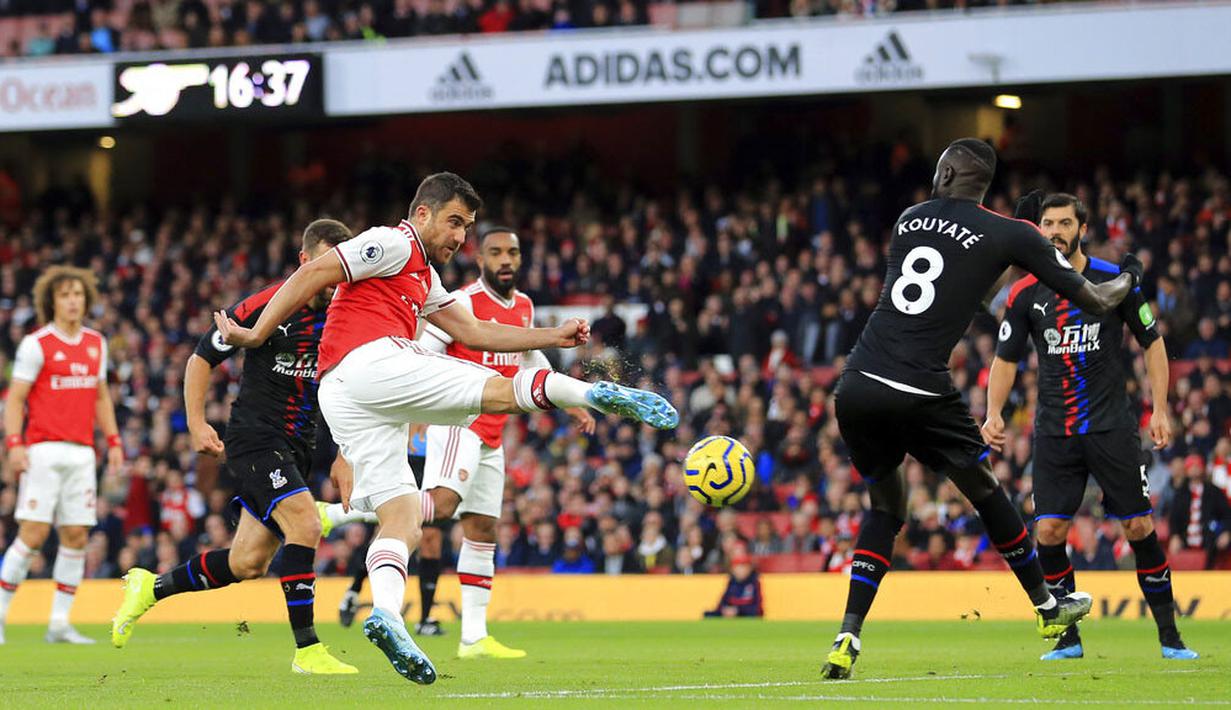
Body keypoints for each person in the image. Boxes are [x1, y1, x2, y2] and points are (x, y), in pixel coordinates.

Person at [213, 172, 678, 683]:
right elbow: (313, 274)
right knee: (501, 391)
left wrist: (554, 333)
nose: (460, 236)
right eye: (455, 222)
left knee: (405, 519)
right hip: (370, 361)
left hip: (345, 394)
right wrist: (257, 333)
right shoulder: (391, 242)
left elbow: (475, 330)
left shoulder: (425, 280)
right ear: (422, 214)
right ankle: (597, 394)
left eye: (468, 227)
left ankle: (388, 614)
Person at [823, 139, 1139, 680]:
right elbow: (1097, 299)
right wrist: (1129, 275)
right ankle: (1046, 608)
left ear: (945, 173)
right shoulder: (1009, 232)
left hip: (857, 382)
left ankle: (847, 634)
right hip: (921, 387)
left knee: (885, 509)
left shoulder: (910, 218)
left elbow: (958, 275)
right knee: (986, 490)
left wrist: (1014, 243)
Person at [110, 219, 362, 674]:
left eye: (342, 267)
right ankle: (308, 650)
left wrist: (345, 451)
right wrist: (195, 422)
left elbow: (355, 387)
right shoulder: (269, 305)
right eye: (327, 264)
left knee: (247, 562)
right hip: (254, 439)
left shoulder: (350, 313)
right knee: (305, 523)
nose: (336, 276)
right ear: (306, 262)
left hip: (301, 445)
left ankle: (151, 588)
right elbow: (201, 357)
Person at [984, 192, 1197, 661]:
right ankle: (1068, 640)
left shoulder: (1112, 280)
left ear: (1082, 228)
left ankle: (1170, 638)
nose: (1055, 231)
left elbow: (1153, 343)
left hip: (1111, 427)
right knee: (1050, 534)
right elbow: (1005, 359)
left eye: (1064, 223)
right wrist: (994, 412)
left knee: (1139, 526)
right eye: (1047, 223)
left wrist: (1160, 408)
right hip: (1054, 432)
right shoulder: (1025, 291)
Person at [415, 226, 595, 657]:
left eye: (512, 252)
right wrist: (420, 410)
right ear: (480, 259)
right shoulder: (461, 302)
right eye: (496, 252)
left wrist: (568, 400)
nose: (506, 260)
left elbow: (529, 357)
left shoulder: (525, 306)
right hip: (460, 421)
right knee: (439, 508)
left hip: (494, 432)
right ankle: (354, 513)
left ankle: (473, 637)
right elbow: (424, 350)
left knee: (482, 528)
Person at [0, 266, 122, 645]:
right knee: (33, 533)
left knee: (75, 535)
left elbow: (101, 396)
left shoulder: (96, 343)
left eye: (78, 294)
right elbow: (15, 399)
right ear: (51, 301)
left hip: (83, 452)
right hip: (43, 450)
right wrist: (14, 444)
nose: (73, 301)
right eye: (65, 294)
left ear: (87, 299)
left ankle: (58, 624)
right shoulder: (36, 344)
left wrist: (114, 443)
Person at [1168, 455, 1231, 569]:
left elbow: (1227, 514)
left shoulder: (1214, 491)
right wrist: (1174, 535)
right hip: (1185, 539)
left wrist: (1226, 532)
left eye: (1198, 466)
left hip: (1210, 541)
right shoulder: (1180, 494)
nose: (1195, 469)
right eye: (1192, 466)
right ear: (1187, 471)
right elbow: (1174, 518)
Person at [703, 553, 764, 618]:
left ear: (749, 569)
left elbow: (758, 610)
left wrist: (738, 611)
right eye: (737, 567)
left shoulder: (754, 583)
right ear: (732, 569)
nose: (740, 570)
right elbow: (722, 604)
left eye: (743, 567)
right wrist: (725, 611)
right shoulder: (731, 583)